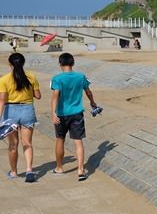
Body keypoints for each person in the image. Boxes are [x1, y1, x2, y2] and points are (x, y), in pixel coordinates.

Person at [51, 53, 98, 181]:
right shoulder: (81, 77)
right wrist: (92, 103)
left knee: (60, 139)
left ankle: (59, 168)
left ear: (60, 64)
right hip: (77, 113)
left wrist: (53, 112)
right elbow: (88, 91)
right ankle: (81, 170)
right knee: (78, 141)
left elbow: (55, 95)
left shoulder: (57, 78)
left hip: (61, 114)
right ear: (73, 63)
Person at [0, 53, 41, 182]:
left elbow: (2, 100)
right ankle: (29, 170)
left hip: (10, 111)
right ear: (23, 63)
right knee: (27, 143)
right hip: (27, 110)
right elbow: (38, 96)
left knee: (13, 144)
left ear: (10, 64)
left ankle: (14, 172)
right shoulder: (31, 77)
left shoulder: (4, 79)